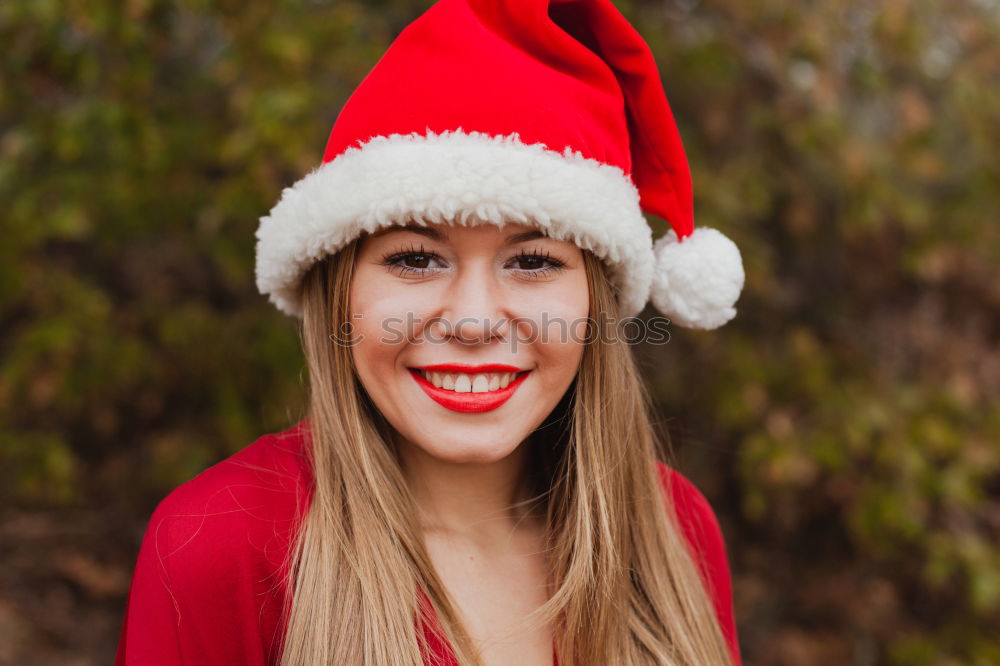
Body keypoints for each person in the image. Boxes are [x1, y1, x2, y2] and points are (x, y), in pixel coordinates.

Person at [115, 0, 746, 664]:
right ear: (341, 294)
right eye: (415, 259)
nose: (473, 321)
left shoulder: (672, 528)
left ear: (596, 301)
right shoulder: (221, 545)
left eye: (533, 261)